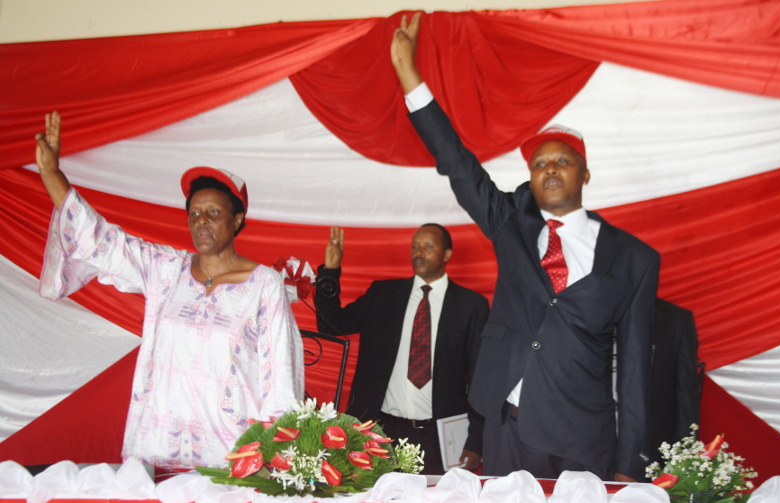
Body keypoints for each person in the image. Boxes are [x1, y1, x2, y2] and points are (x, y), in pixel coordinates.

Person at [390, 14, 660, 481]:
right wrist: (409, 76)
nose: (549, 169)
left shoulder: (634, 258)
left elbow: (634, 371)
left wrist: (630, 468)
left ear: (585, 175)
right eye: (539, 164)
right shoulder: (510, 225)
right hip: (506, 431)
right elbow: (457, 163)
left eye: (563, 161)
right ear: (530, 179)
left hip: (582, 438)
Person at [34, 112, 304, 469]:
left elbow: (278, 375)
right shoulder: (166, 270)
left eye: (212, 212)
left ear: (237, 220)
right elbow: (103, 241)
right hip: (157, 449)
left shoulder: (264, 284)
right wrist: (53, 175)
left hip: (230, 457)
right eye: (194, 213)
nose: (201, 222)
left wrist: (275, 456)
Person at [314, 224, 489, 475]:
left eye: (428, 247)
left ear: (447, 254)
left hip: (438, 437)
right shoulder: (383, 295)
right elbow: (332, 324)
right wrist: (330, 272)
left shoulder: (471, 306)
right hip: (379, 431)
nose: (419, 253)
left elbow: (482, 378)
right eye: (415, 246)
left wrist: (476, 441)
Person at [650, 298, 701, 463]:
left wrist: (683, 457)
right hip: (588, 448)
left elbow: (686, 394)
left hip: (655, 450)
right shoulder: (584, 311)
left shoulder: (676, 319)